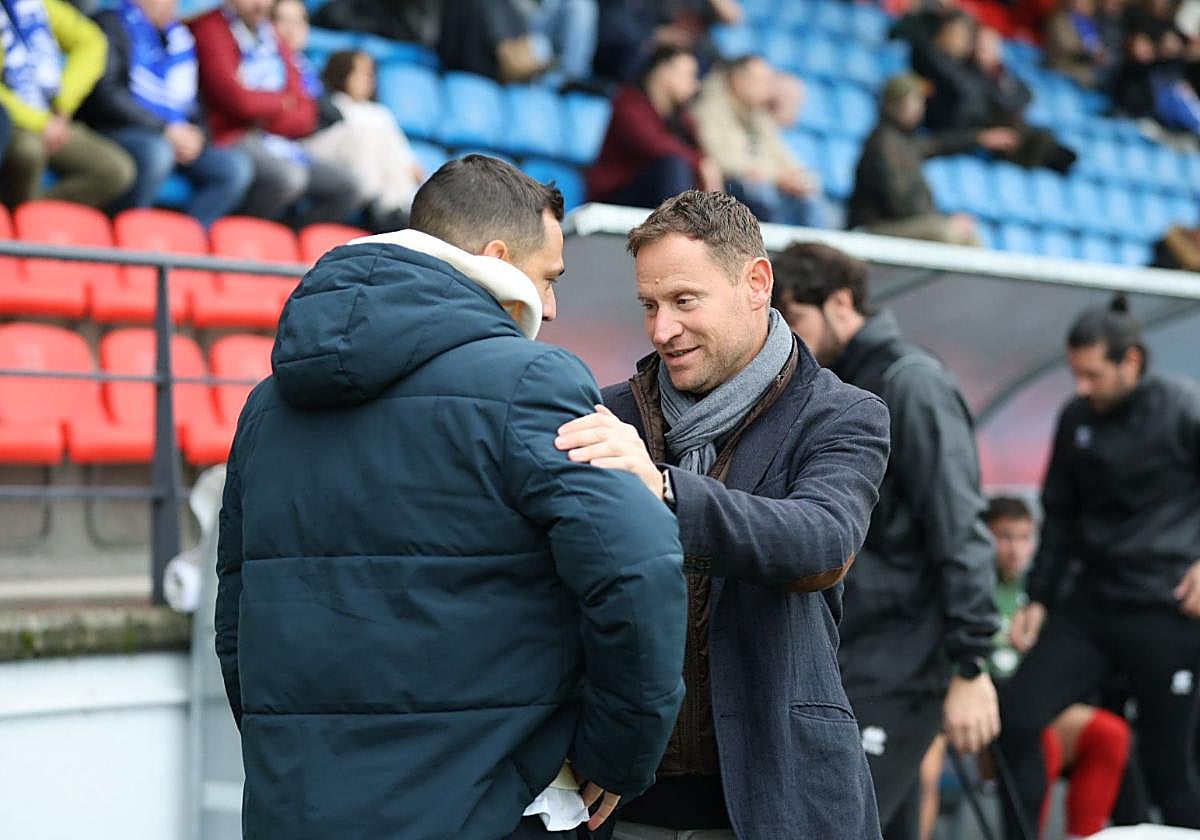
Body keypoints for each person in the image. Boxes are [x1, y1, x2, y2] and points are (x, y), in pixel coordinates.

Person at [215, 155, 689, 840]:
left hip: (299, 810)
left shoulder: (266, 405)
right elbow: (638, 571)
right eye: (549, 278)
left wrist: (293, 754)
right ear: (497, 257)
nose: (552, 307)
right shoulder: (532, 380)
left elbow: (237, 623)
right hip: (488, 811)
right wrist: (617, 758)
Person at [555, 190, 892, 839]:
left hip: (779, 797)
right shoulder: (608, 416)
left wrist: (663, 490)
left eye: (684, 301)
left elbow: (819, 544)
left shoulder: (843, 414)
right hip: (621, 803)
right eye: (650, 305)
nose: (661, 329)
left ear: (756, 283)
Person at [772, 241, 1001, 840]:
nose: (787, 338)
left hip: (901, 664)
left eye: (794, 318)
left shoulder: (912, 383)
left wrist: (971, 665)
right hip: (851, 653)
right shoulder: (824, 387)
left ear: (841, 302)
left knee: (836, 824)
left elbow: (960, 525)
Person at [997, 296, 1200, 837]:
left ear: (1130, 361)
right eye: (1074, 374)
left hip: (1165, 605)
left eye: (1092, 374)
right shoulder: (1076, 417)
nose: (1081, 386)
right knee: (1015, 718)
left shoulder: (1182, 408)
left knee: (1170, 767)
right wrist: (1037, 598)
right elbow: (1059, 516)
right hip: (1089, 603)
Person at [986, 495, 1132, 840]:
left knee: (1112, 733)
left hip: (1040, 706)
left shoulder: (1045, 590)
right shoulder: (968, 581)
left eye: (1024, 538)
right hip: (985, 707)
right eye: (1004, 537)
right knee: (1032, 735)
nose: (1015, 550)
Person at [78, 0, 253, 227]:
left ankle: (186, 244)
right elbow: (106, 94)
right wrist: (164, 129)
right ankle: (126, 235)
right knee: (157, 153)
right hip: (120, 128)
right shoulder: (112, 23)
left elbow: (194, 101)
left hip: (174, 132)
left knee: (233, 169)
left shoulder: (179, 37)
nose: (173, 5)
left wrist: (197, 135)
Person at [190, 0, 361, 226]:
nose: (261, 4)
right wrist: (282, 103)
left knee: (348, 186)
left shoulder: (269, 34)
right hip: (230, 134)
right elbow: (238, 102)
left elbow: (307, 111)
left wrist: (261, 108)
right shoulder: (212, 28)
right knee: (288, 178)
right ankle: (238, 242)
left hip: (277, 140)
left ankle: (294, 243)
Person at [847, 73, 1019, 244]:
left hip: (903, 222)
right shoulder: (883, 144)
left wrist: (980, 138)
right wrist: (944, 220)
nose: (920, 107)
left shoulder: (906, 141)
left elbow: (940, 144)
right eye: (913, 100)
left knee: (968, 236)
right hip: (876, 227)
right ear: (894, 104)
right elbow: (900, 203)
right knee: (945, 233)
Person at [0, 0, 135, 209]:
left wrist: (63, 106)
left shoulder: (36, 5)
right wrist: (41, 122)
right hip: (12, 120)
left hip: (51, 116)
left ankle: (31, 219)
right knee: (29, 153)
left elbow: (92, 41)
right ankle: (22, 224)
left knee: (116, 170)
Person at [914, 15, 1076, 172]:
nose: (964, 43)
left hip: (984, 125)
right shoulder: (937, 58)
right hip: (966, 131)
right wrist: (980, 136)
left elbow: (1023, 95)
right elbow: (966, 94)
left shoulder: (991, 74)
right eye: (960, 36)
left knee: (1039, 138)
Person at [693, 55, 825, 227]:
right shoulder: (710, 108)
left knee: (809, 196)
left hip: (764, 181)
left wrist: (799, 177)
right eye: (761, 81)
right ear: (738, 80)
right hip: (727, 187)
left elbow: (781, 155)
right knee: (761, 191)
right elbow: (722, 160)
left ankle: (808, 250)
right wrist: (776, 176)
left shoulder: (758, 114)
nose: (767, 89)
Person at [586, 45, 721, 208]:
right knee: (672, 166)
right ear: (663, 72)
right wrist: (699, 162)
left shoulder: (682, 118)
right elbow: (652, 144)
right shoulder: (628, 102)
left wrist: (706, 164)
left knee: (735, 189)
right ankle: (683, 228)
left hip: (660, 196)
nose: (695, 84)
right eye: (688, 75)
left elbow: (702, 155)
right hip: (618, 195)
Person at [303, 50, 424, 233]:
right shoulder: (330, 105)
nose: (368, 80)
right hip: (333, 165)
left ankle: (395, 208)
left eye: (370, 74)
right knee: (364, 128)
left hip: (384, 187)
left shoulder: (380, 113)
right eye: (361, 73)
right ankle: (381, 206)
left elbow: (405, 158)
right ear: (343, 72)